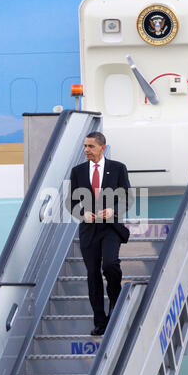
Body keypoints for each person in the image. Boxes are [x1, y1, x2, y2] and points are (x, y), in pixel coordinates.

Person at [65, 132, 133, 336]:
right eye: (85, 146)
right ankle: (100, 322)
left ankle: (115, 302)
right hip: (89, 229)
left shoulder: (117, 168)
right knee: (92, 274)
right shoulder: (78, 171)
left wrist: (113, 210)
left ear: (102, 148)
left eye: (91, 146)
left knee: (110, 265)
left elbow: (127, 198)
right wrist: (83, 213)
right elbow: (70, 202)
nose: (86, 150)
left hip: (111, 227)